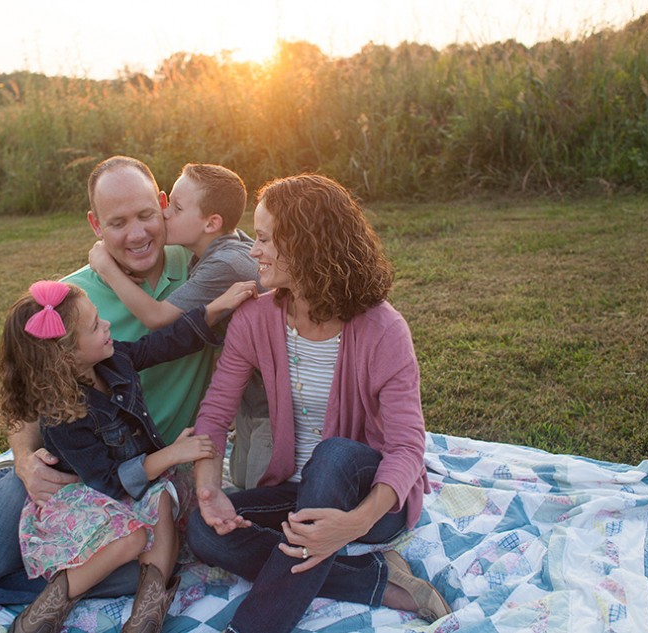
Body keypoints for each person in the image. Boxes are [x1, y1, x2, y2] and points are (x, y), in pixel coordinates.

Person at [0, 157, 223, 627]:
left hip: (144, 474)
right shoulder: (68, 301)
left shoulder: (203, 272)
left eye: (146, 215)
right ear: (95, 224)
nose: (136, 234)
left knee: (145, 565)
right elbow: (24, 399)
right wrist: (26, 462)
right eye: (117, 222)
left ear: (165, 206)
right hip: (76, 464)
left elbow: (189, 317)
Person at [185, 174, 453, 633]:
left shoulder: (384, 329)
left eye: (266, 239)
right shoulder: (254, 319)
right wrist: (210, 493)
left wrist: (352, 525)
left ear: (308, 246)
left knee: (333, 455)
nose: (254, 251)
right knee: (202, 531)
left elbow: (409, 446)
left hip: (369, 502)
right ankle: (377, 583)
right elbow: (215, 413)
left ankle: (250, 627)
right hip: (295, 493)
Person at [0, 278, 254, 632]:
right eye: (95, 326)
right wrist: (171, 455)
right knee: (134, 537)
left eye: (99, 317)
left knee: (163, 499)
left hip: (140, 484)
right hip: (89, 498)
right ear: (67, 357)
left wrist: (216, 308)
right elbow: (108, 482)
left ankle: (146, 615)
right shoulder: (63, 419)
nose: (107, 326)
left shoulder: (114, 359)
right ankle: (42, 613)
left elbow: (162, 344)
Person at [88, 162, 271, 490]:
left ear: (211, 223)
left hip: (276, 401)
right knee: (243, 479)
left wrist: (106, 267)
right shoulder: (221, 248)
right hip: (251, 400)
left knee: (262, 492)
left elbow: (157, 318)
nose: (166, 213)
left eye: (175, 206)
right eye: (168, 203)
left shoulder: (223, 263)